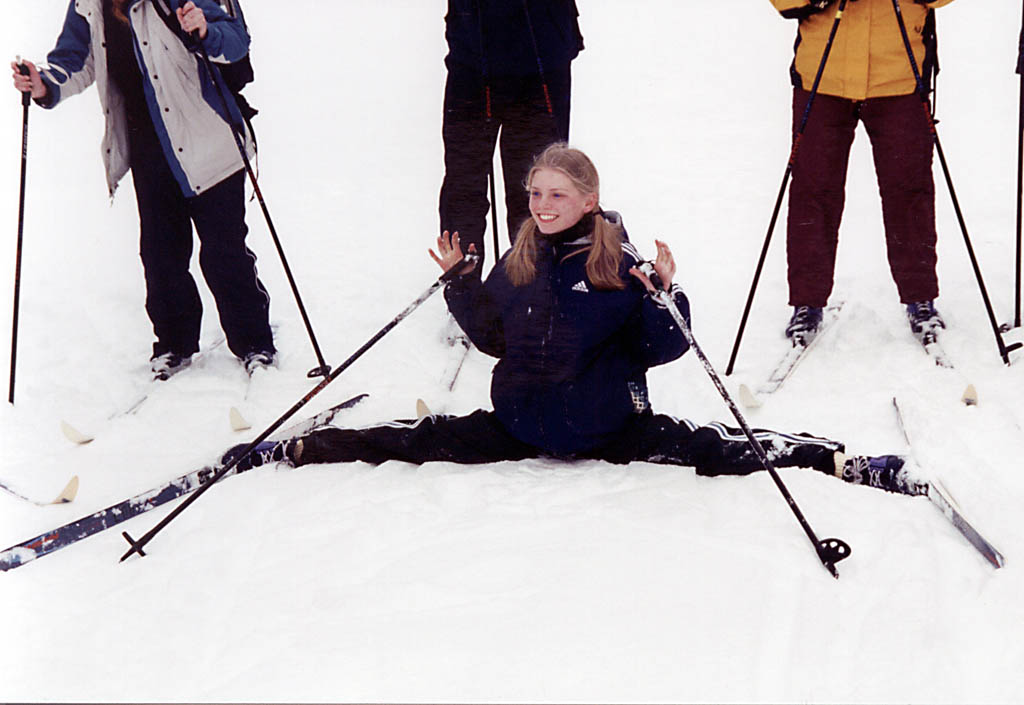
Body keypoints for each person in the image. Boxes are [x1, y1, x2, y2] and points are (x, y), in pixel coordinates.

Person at [228, 144, 924, 499]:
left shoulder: (617, 262)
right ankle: (292, 449)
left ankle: (835, 458)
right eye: (535, 193)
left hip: (606, 425)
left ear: (590, 198)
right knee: (415, 440)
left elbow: (665, 347)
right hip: (521, 423)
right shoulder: (521, 256)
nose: (542, 203)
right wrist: (459, 283)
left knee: (715, 449)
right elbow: (494, 339)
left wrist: (665, 295)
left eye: (557, 193)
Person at [11, 0, 276, 380]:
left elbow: (235, 41)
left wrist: (204, 30)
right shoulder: (90, 3)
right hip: (147, 146)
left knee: (224, 251)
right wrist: (43, 83)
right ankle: (174, 344)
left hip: (208, 137)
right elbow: (76, 59)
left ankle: (254, 343)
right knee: (160, 255)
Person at [770, 0, 954, 347]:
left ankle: (920, 297)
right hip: (822, 76)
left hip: (899, 74)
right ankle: (807, 302)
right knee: (813, 191)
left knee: (910, 191)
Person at [439, 0, 584, 268]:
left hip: (543, 56)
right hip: (472, 58)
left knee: (538, 182)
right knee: (464, 183)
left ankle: (535, 281)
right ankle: (462, 280)